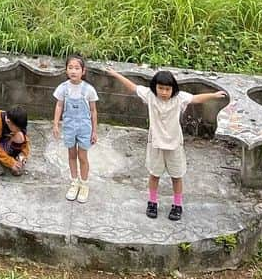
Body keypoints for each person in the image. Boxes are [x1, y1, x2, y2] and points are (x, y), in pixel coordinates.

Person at [106, 67, 229, 219]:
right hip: (156, 144)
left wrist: (214, 95)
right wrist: (116, 74)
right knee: (154, 174)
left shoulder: (179, 98)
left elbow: (196, 98)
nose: (164, 92)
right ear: (155, 87)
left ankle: (177, 205)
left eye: (167, 89)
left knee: (177, 176)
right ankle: (152, 202)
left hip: (174, 144)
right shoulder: (150, 96)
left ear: (173, 89)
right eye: (161, 88)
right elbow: (132, 87)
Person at [52, 54, 98, 202]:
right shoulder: (63, 88)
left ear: (83, 71)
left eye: (77, 68)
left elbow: (93, 111)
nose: (73, 71)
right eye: (70, 67)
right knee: (71, 155)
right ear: (66, 70)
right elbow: (59, 105)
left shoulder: (89, 90)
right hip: (69, 127)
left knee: (82, 157)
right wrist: (56, 124)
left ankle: (84, 185)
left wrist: (94, 131)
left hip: (84, 127)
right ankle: (74, 182)